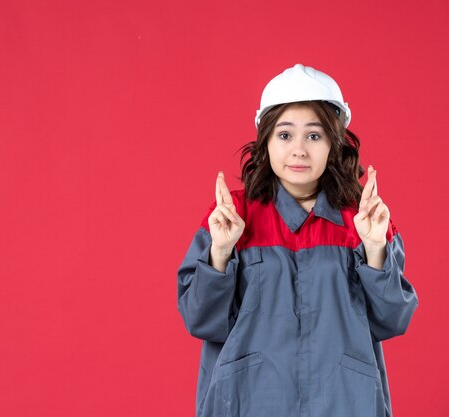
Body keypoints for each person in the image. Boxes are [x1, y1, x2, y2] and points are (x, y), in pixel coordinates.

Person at [177, 64, 419, 417]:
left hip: (345, 402)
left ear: (335, 144)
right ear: (266, 142)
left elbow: (392, 321)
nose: (299, 150)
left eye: (315, 135)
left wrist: (375, 250)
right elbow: (200, 319)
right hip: (247, 402)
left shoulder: (364, 220)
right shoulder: (231, 216)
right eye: (285, 135)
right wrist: (220, 253)